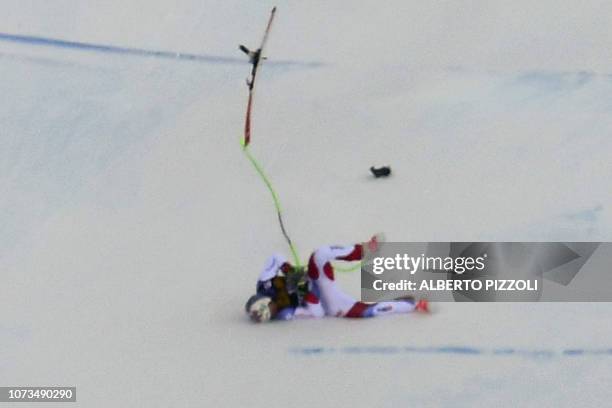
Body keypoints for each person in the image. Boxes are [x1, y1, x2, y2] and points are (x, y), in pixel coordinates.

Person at [245, 235, 429, 322]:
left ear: (264, 300)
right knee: (366, 312)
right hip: (324, 302)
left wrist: (290, 270)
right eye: (271, 314)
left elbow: (276, 257)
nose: (275, 310)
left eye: (270, 307)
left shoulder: (265, 283)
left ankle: (363, 250)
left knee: (320, 254)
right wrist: (307, 291)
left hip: (316, 278)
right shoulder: (285, 315)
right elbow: (316, 314)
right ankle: (412, 304)